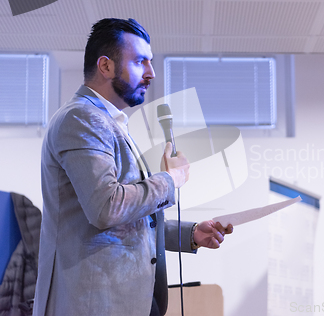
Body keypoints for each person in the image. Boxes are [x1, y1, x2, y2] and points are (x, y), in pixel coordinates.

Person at [33, 18, 233, 316]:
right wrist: (171, 179)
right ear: (106, 66)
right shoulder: (81, 119)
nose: (151, 73)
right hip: (92, 305)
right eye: (141, 62)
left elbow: (127, 225)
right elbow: (107, 208)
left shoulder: (109, 123)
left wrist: (191, 234)